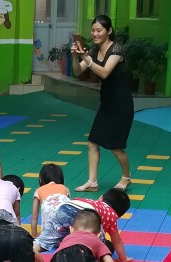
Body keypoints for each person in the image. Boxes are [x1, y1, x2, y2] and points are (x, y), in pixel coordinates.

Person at [71, 16, 135, 193]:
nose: (95, 34)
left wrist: (87, 58)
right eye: (93, 30)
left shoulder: (117, 50)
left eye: (99, 30)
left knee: (116, 147)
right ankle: (92, 182)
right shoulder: (93, 51)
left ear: (109, 31)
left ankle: (126, 176)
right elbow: (78, 71)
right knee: (92, 142)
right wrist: (75, 56)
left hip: (121, 105)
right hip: (106, 104)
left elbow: (105, 72)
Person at [47, 188, 132, 262]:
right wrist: (123, 258)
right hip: (81, 220)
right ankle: (81, 255)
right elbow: (117, 242)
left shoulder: (91, 202)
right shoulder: (112, 216)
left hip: (66, 207)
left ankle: (58, 242)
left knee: (64, 232)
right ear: (119, 215)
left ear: (101, 198)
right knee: (106, 246)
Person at [30, 163, 71, 250]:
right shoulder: (64, 188)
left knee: (49, 226)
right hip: (66, 212)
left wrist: (34, 234)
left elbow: (34, 216)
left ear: (40, 179)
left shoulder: (38, 190)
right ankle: (67, 239)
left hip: (50, 213)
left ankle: (50, 239)